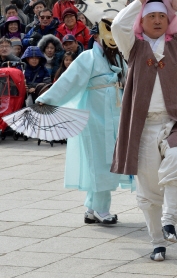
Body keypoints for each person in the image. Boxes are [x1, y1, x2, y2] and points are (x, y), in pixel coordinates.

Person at [110, 0, 177, 261]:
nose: (156, 20)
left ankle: (170, 220)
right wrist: (139, 2)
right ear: (141, 21)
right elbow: (118, 25)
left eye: (161, 16)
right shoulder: (132, 46)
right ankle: (157, 242)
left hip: (174, 123)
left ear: (169, 20)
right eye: (150, 16)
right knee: (150, 189)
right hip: (142, 127)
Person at [37, 18, 131, 225]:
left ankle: (91, 207)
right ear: (96, 36)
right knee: (100, 162)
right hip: (94, 117)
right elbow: (68, 81)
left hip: (114, 115)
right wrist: (47, 99)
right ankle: (101, 209)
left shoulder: (118, 59)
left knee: (106, 161)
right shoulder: (88, 57)